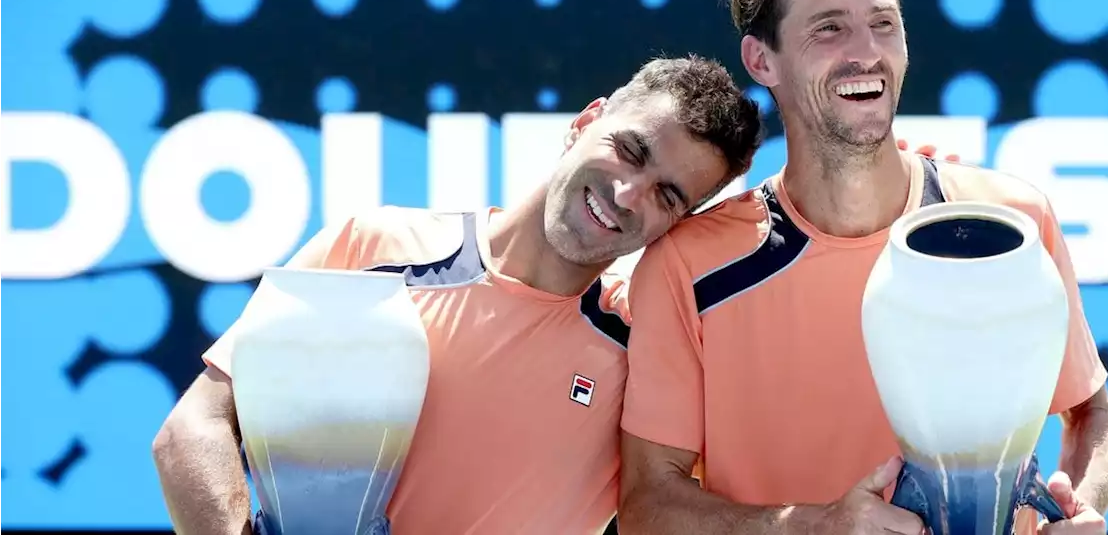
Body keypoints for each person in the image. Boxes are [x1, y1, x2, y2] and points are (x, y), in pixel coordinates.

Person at [616, 0, 1108, 535]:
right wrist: (816, 526)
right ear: (762, 60)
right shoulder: (687, 267)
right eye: (829, 28)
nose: (866, 51)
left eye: (883, 23)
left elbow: (1096, 416)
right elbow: (649, 505)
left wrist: (1082, 504)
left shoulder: (1011, 221)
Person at [151, 55, 766, 535]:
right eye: (630, 151)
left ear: (677, 226)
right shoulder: (375, 247)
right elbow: (193, 430)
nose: (628, 194)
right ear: (584, 122)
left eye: (667, 195)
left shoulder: (647, 351)